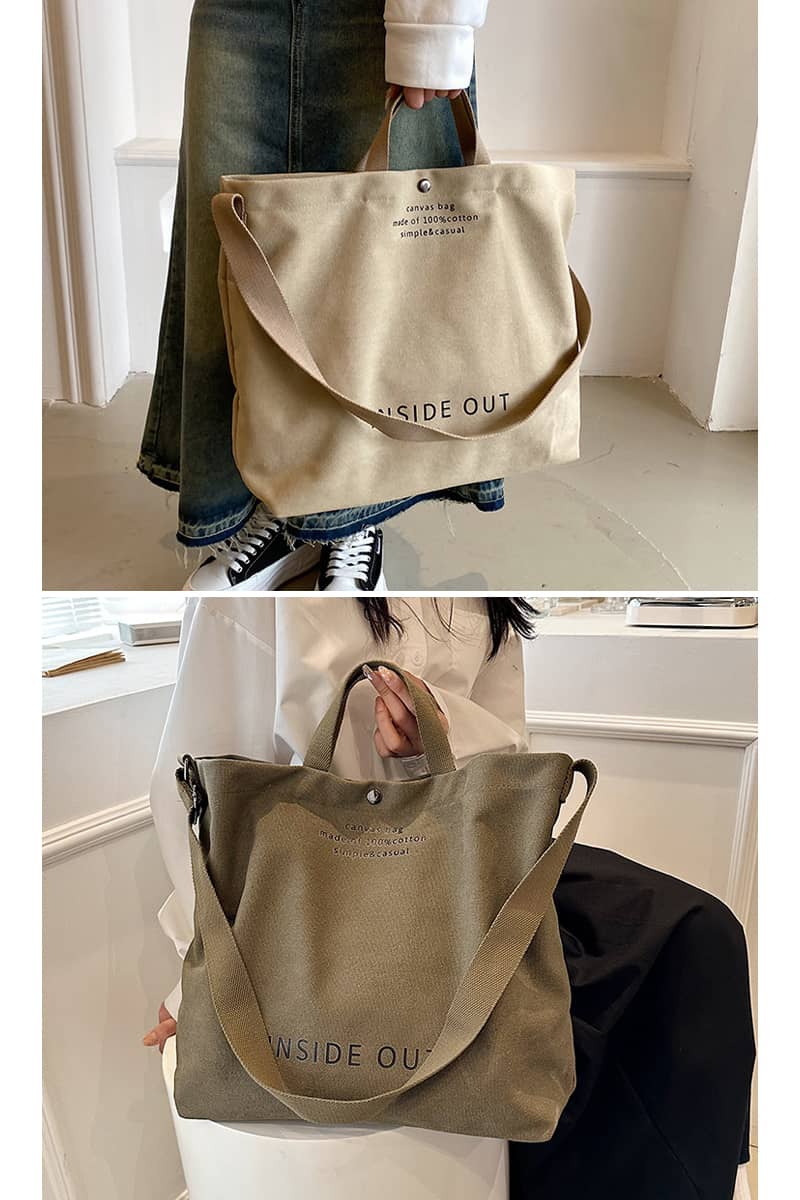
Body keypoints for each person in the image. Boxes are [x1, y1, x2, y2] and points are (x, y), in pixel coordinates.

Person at [144, 596, 755, 1199]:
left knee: (700, 933)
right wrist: (204, 973)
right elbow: (204, 800)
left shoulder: (487, 591)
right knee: (576, 1020)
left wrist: (443, 734)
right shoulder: (259, 592)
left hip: (471, 859)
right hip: (305, 894)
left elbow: (512, 758)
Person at [137, 2, 504, 593]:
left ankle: (355, 518)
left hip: (378, 12)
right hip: (235, 9)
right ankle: (271, 510)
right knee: (230, 252)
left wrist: (434, 22)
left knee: (377, 274)